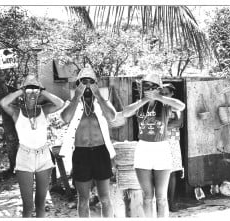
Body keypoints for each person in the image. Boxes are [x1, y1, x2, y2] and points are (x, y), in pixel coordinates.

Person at [0, 75, 64, 217]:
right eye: (29, 89)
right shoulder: (16, 111)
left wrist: (42, 90)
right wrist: (22, 90)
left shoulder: (44, 109)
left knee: (41, 204)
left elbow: (60, 103)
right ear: (23, 91)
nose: (32, 93)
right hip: (25, 157)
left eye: (35, 89)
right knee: (28, 206)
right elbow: (3, 103)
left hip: (43, 157)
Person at [122, 73, 185, 217]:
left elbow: (181, 106)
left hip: (162, 148)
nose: (149, 89)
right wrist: (145, 99)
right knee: (147, 197)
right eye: (146, 86)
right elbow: (125, 113)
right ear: (142, 88)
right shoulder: (140, 104)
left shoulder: (164, 103)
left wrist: (159, 97)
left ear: (158, 88)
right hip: (143, 149)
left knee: (162, 198)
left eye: (152, 86)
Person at [59, 65, 116, 217]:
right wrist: (76, 97)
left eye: (90, 81)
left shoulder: (102, 102)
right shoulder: (73, 103)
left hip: (101, 152)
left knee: (105, 198)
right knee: (83, 199)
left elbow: (112, 117)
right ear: (78, 85)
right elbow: (65, 118)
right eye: (83, 82)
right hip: (81, 154)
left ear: (96, 84)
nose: (87, 85)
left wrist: (98, 95)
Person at [162, 83, 184, 212]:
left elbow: (178, 122)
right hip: (158, 141)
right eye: (162, 93)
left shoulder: (176, 106)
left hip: (172, 141)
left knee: (172, 172)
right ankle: (162, 203)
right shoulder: (157, 105)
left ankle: (172, 203)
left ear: (172, 94)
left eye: (166, 93)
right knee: (160, 171)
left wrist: (162, 125)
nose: (163, 95)